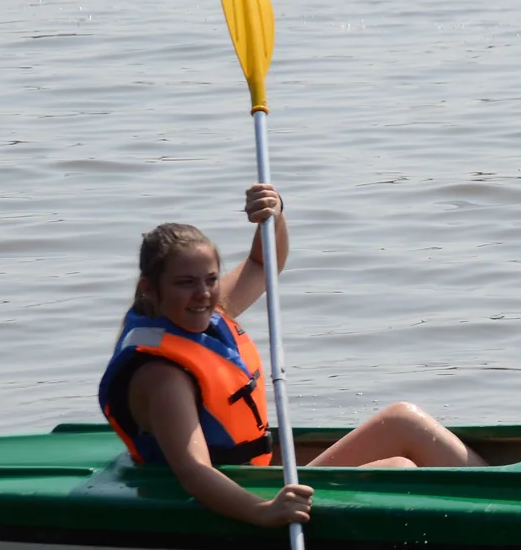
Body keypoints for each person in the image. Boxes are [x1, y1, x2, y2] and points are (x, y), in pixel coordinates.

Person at [100, 185, 484, 529]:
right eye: (186, 283)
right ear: (150, 289)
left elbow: (263, 264)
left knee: (404, 421)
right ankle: (495, 514)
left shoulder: (200, 316)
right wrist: (263, 511)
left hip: (256, 473)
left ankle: (507, 487)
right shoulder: (163, 375)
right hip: (235, 498)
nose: (203, 293)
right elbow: (193, 471)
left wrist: (274, 215)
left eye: (211, 279)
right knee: (399, 469)